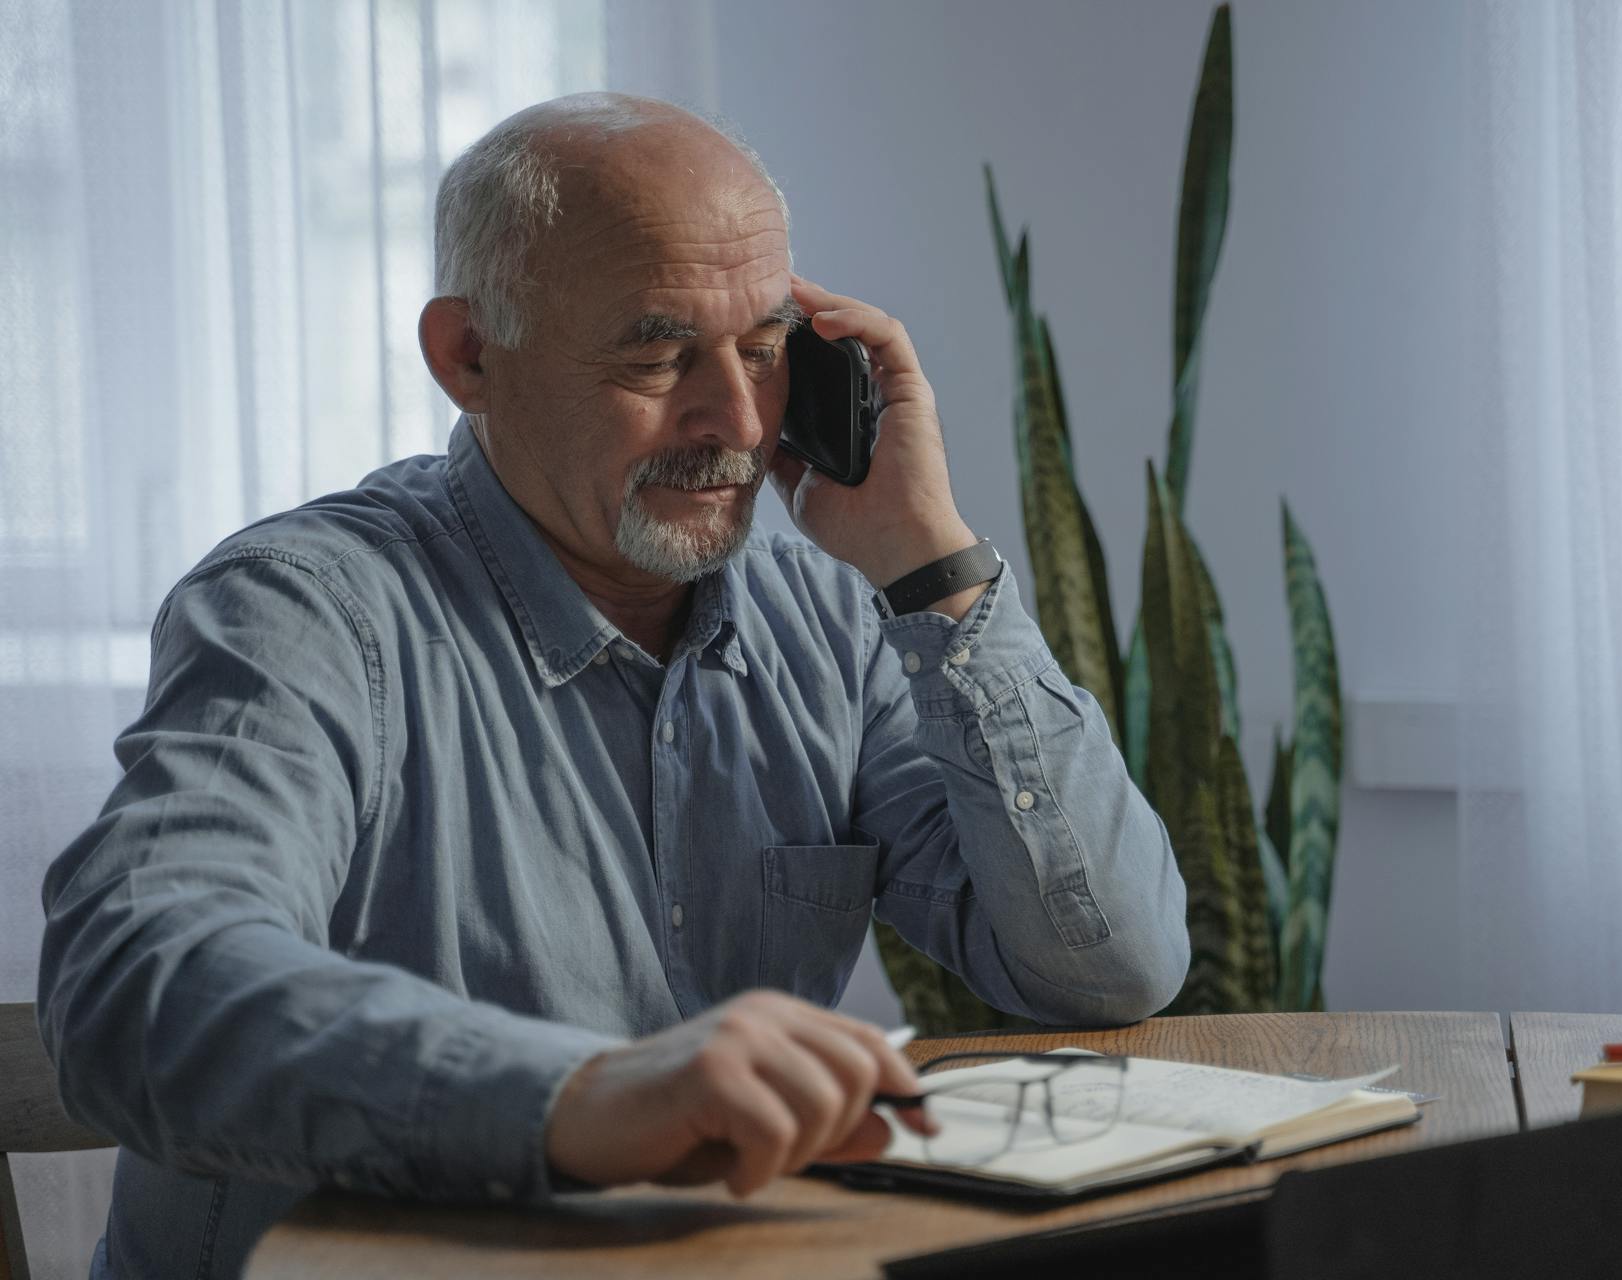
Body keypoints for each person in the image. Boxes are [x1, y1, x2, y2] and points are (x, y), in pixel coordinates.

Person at [37, 93, 1189, 1278]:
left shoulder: (835, 616)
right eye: (657, 354)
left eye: (766, 347)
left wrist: (929, 560)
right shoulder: (306, 611)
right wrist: (573, 1096)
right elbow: (132, 987)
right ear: (470, 355)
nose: (739, 421)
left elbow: (1106, 964)